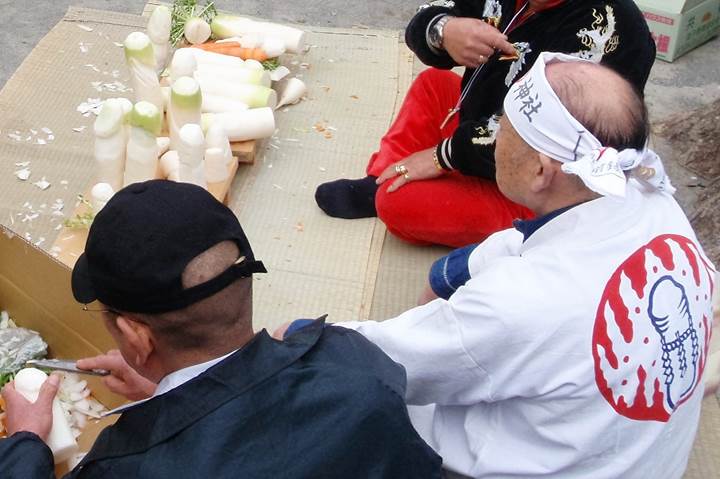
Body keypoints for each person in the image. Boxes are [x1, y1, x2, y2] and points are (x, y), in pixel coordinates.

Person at [290, 54, 715, 477]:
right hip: (641, 460)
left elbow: (375, 360)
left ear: (539, 170)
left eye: (504, 130)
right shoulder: (654, 201)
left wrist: (292, 339)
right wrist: (453, 269)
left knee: (330, 413)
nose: (493, 140)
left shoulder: (514, 304)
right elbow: (522, 239)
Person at [0, 180, 443, 478]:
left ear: (136, 338)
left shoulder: (128, 465)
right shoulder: (352, 361)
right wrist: (167, 395)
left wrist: (25, 445)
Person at [315, 0, 656, 248]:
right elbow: (429, 16)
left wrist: (442, 156)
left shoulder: (605, 28)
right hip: (483, 128)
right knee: (434, 85)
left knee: (397, 206)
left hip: (541, 183)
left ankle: (529, 230)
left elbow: (538, 140)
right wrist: (443, 30)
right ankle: (385, 178)